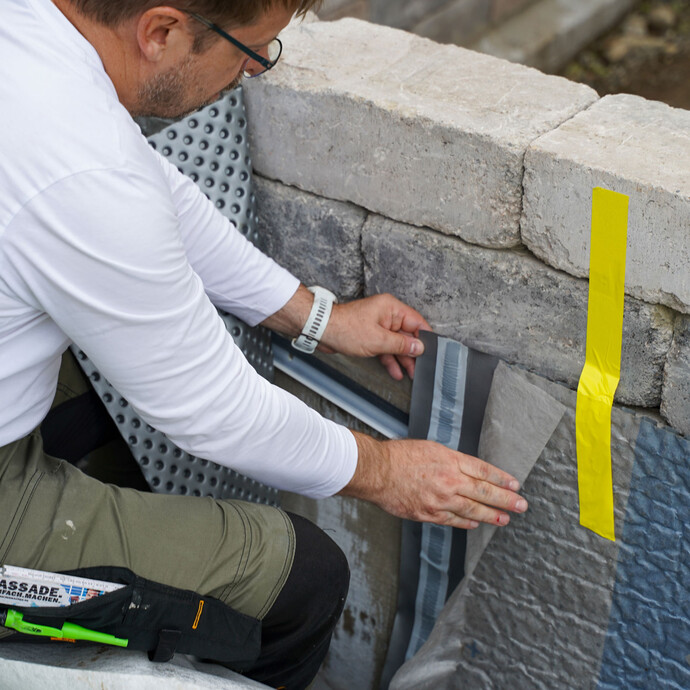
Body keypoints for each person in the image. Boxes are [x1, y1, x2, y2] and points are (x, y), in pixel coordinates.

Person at [0, 0, 528, 687]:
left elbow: (155, 192)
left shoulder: (33, 37)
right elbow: (212, 412)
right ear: (161, 32)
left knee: (101, 421)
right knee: (302, 577)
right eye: (250, 47)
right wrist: (388, 471)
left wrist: (318, 319)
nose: (254, 69)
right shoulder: (82, 168)